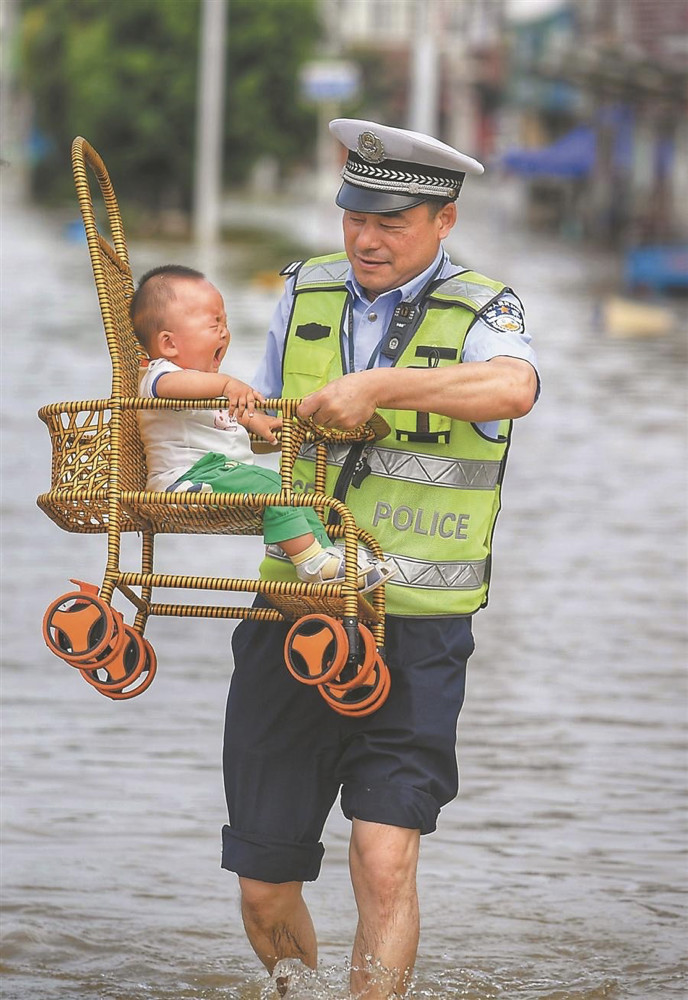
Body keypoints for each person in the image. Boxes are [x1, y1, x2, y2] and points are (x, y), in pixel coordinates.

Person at [222, 120, 540, 999]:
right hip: (291, 618)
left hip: (418, 632)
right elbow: (265, 422)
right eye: (354, 213)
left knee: (383, 856)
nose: (366, 237)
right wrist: (230, 420)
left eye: (391, 220)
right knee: (263, 886)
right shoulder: (303, 292)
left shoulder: (487, 309)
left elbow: (514, 387)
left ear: (444, 219)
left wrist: (380, 386)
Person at [130, 265, 395, 591]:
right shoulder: (161, 375)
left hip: (218, 474)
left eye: (225, 323)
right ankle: (311, 562)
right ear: (169, 344)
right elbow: (176, 388)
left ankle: (327, 555)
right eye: (214, 324)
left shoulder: (205, 387)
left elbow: (231, 411)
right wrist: (226, 384)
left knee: (297, 494)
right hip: (184, 482)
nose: (225, 333)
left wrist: (261, 421)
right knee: (274, 488)